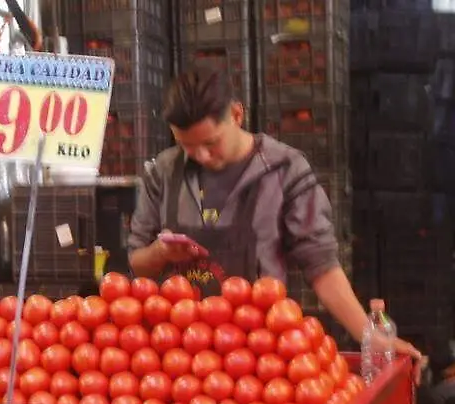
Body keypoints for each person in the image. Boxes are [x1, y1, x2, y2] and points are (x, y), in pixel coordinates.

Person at [127, 66, 424, 373]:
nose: (200, 156)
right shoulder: (164, 172)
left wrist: (370, 336)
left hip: (258, 357)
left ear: (237, 114)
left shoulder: (284, 169)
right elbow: (137, 261)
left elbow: (321, 264)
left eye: (211, 143)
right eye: (187, 146)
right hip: (178, 357)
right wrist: (160, 253)